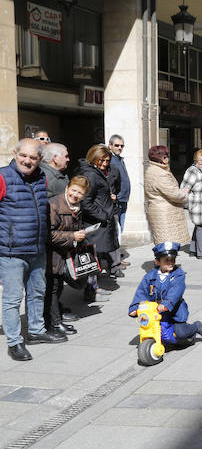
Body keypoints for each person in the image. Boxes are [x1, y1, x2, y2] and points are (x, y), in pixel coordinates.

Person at [2, 139, 63, 361]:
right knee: (12, 298)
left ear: (40, 160)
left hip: (37, 248)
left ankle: (36, 331)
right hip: (10, 252)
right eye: (23, 156)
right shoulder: (2, 177)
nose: (27, 161)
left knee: (37, 292)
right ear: (15, 153)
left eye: (33, 157)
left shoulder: (41, 178)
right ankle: (15, 342)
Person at [128, 243, 202, 345]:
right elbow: (142, 292)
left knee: (181, 333)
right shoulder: (150, 276)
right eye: (166, 260)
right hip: (156, 311)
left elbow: (176, 290)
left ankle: (196, 326)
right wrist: (135, 307)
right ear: (157, 262)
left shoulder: (178, 274)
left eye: (173, 260)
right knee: (148, 327)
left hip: (174, 310)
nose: (170, 263)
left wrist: (166, 304)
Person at [47, 176, 94, 336]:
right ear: (67, 188)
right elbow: (49, 234)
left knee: (58, 286)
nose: (75, 195)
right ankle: (54, 323)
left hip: (64, 254)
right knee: (52, 288)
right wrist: (72, 236)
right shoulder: (54, 205)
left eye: (80, 193)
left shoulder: (76, 207)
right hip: (52, 254)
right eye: (73, 190)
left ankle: (55, 318)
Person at [77, 145, 123, 280]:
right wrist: (103, 215)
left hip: (99, 221)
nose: (104, 164)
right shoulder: (90, 174)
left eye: (107, 161)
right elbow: (85, 202)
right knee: (91, 258)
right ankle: (92, 291)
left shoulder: (96, 172)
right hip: (94, 223)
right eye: (101, 160)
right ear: (93, 158)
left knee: (94, 257)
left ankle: (93, 289)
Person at [144, 146, 190, 246]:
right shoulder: (160, 173)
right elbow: (174, 194)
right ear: (163, 158)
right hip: (165, 213)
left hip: (159, 209)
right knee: (167, 245)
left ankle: (161, 261)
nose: (168, 159)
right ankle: (165, 262)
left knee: (163, 244)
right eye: (166, 156)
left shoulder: (151, 170)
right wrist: (185, 193)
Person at [180, 150, 202, 260]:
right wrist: (182, 202)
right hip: (198, 203)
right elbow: (185, 188)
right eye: (201, 160)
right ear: (196, 160)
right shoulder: (193, 171)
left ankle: (193, 249)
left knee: (201, 225)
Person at [108, 135, 130, 234]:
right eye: (117, 145)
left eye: (122, 146)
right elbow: (109, 180)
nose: (119, 148)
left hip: (123, 200)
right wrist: (115, 196)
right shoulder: (110, 161)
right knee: (116, 231)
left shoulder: (119, 159)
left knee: (120, 230)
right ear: (110, 146)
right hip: (117, 201)